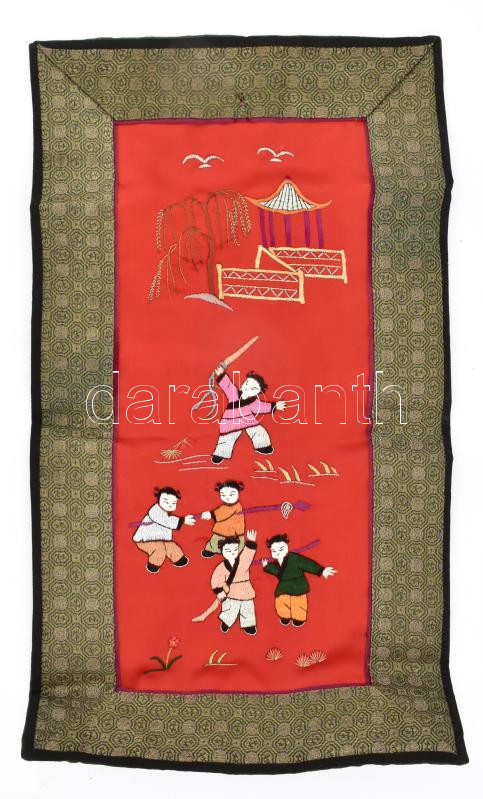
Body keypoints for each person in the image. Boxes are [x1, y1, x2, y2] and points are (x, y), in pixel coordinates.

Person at [211, 368, 286, 464]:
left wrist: (275, 406)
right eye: (246, 383)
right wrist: (221, 375)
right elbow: (228, 385)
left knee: (259, 431)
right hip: (230, 421)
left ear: (258, 392)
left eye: (253, 388)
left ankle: (263, 446)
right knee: (226, 438)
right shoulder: (234, 394)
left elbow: (262, 407)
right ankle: (219, 454)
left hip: (247, 420)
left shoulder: (253, 402)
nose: (247, 388)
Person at [262, 534, 337, 626]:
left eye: (281, 549)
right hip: (284, 587)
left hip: (298, 585)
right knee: (281, 602)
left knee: (298, 603)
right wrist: (267, 566)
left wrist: (321, 570)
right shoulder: (277, 563)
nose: (277, 553)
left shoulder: (294, 558)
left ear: (287, 546)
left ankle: (299, 619)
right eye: (274, 551)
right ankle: (284, 616)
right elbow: (277, 572)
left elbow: (306, 564)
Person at [132, 486, 195, 573]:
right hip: (144, 541)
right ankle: (153, 565)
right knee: (159, 549)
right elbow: (165, 521)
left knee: (171, 546)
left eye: (173, 503)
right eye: (166, 502)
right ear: (158, 500)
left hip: (162, 540)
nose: (170, 505)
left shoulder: (166, 513)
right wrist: (182, 520)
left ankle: (179, 560)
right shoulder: (154, 511)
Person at [210, 530, 258, 634]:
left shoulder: (242, 561)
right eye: (228, 550)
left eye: (235, 550)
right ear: (222, 551)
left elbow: (247, 555)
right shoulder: (221, 567)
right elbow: (216, 579)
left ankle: (249, 625)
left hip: (245, 589)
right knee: (230, 608)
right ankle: (226, 622)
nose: (232, 553)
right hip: (231, 591)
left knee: (247, 608)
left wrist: (251, 542)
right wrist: (219, 591)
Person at [200, 480, 245, 558]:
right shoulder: (226, 506)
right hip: (222, 529)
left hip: (233, 532)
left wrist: (211, 514)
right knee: (215, 541)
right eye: (223, 495)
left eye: (231, 494)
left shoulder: (235, 506)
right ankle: (210, 550)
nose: (227, 498)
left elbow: (224, 512)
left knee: (232, 544)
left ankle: (233, 554)